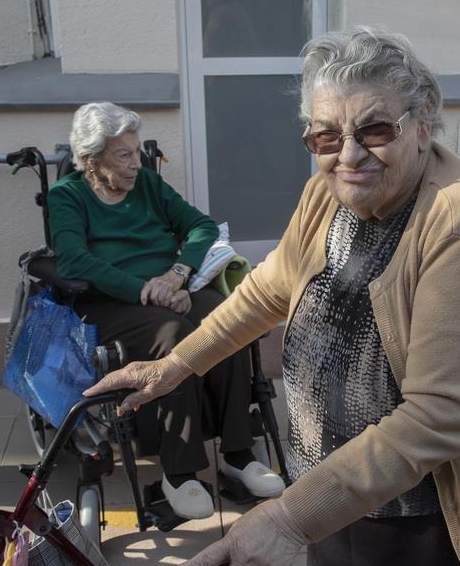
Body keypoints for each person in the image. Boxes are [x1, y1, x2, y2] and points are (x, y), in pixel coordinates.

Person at [85, 27, 460, 566]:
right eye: (326, 136)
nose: (349, 154)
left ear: (422, 125)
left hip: (423, 525)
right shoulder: (326, 194)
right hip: (334, 494)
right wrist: (175, 366)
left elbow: (441, 415)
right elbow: (268, 290)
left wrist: (283, 519)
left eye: (375, 130)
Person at [49, 102, 284, 519]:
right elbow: (73, 261)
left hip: (169, 289)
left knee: (228, 322)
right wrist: (146, 290)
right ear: (91, 159)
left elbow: (201, 226)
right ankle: (180, 472)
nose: (137, 164)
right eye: (124, 155)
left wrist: (177, 275)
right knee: (174, 336)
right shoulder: (67, 197)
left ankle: (238, 454)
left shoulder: (149, 186)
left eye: (137, 152)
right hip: (109, 302)